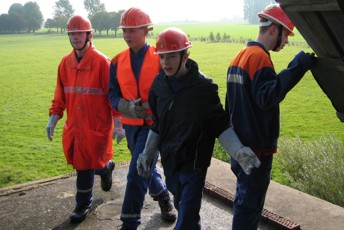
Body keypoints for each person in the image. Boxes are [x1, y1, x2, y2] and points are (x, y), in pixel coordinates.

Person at [136, 27, 261, 230]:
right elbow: (158, 124)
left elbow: (220, 125)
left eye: (171, 57)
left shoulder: (204, 88)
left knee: (186, 217)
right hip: (170, 162)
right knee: (184, 209)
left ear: (185, 56)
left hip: (194, 166)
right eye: (162, 57)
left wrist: (238, 151)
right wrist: (146, 154)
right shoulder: (158, 86)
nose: (165, 63)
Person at [225, 4, 316, 230]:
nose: (286, 41)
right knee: (250, 207)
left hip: (240, 148)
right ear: (274, 30)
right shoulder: (259, 58)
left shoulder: (239, 56)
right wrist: (297, 67)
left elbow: (230, 105)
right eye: (285, 34)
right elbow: (268, 97)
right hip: (256, 152)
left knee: (243, 201)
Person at [45, 15, 125, 223]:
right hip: (76, 126)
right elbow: (59, 95)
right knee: (84, 161)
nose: (75, 37)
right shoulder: (65, 63)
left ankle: (83, 204)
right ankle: (105, 168)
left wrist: (119, 124)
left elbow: (112, 96)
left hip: (97, 126)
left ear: (89, 35)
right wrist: (53, 118)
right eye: (72, 34)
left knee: (84, 165)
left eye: (79, 33)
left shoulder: (102, 63)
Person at [108, 7, 176, 230]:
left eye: (132, 30)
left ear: (146, 30)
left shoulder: (159, 57)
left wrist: (154, 107)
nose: (127, 35)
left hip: (153, 126)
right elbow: (112, 94)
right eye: (125, 30)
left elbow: (172, 90)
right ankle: (163, 195)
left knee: (137, 172)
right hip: (130, 127)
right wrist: (125, 107)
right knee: (144, 166)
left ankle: (129, 222)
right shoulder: (117, 61)